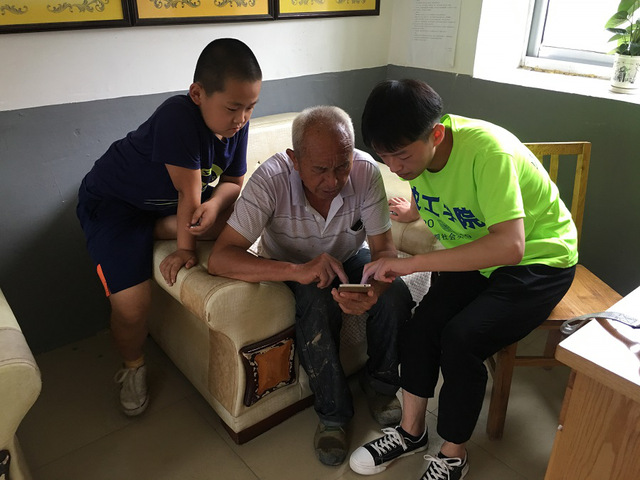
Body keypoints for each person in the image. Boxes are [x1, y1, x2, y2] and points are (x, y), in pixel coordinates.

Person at [349, 79, 578, 480]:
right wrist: (415, 210)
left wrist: (414, 263)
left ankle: (453, 453)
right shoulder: (419, 156)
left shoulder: (489, 153)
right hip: (477, 254)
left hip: (539, 261)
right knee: (420, 328)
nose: (395, 168)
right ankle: (411, 432)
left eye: (401, 156)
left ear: (436, 134)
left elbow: (510, 247)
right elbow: (442, 189)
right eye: (385, 158)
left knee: (461, 339)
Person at [208, 106, 414, 466]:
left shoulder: (365, 171)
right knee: (317, 304)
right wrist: (297, 270)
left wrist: (374, 292)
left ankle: (381, 385)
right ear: (294, 160)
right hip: (288, 262)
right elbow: (221, 258)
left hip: (349, 256)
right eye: (320, 169)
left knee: (396, 294)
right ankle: (333, 415)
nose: (333, 181)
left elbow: (384, 252)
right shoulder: (271, 180)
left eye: (342, 166)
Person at [76, 38, 262, 417]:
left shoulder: (235, 124)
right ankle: (133, 367)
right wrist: (185, 249)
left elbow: (233, 182)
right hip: (114, 207)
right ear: (197, 94)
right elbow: (187, 193)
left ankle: (152, 231)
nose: (241, 118)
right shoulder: (177, 116)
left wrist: (214, 205)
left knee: (236, 218)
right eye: (233, 108)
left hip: (165, 206)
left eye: (250, 107)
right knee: (132, 306)